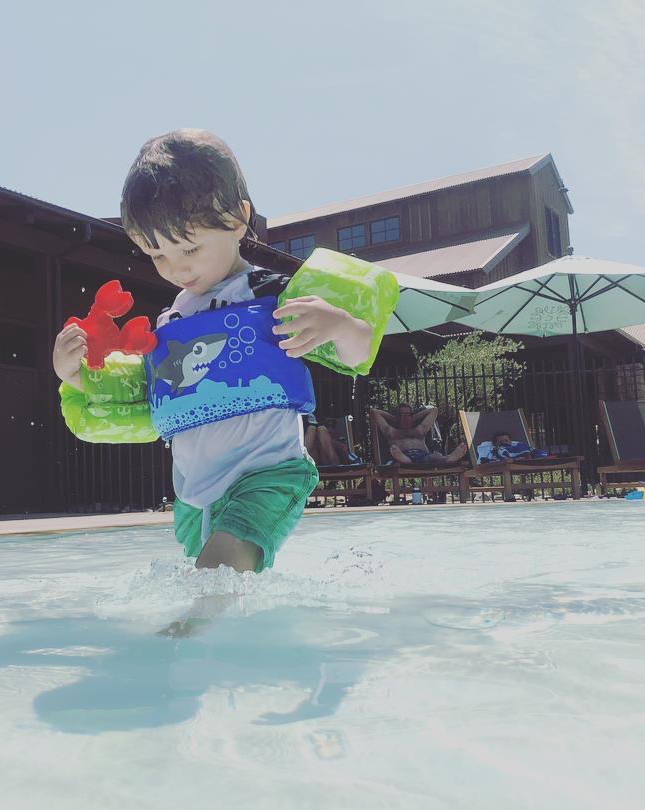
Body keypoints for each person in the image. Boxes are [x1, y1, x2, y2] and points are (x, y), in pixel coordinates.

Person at [53, 129, 397, 580]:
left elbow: (356, 354)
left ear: (237, 219)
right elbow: (141, 389)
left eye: (189, 248)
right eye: (156, 254)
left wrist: (341, 325)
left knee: (215, 578)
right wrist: (75, 373)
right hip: (194, 495)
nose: (176, 268)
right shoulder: (171, 320)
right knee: (220, 588)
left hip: (267, 475)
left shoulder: (271, 295)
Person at [370, 404, 467, 465]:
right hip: (404, 455)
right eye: (402, 415)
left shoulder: (420, 430)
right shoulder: (391, 432)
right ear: (397, 417)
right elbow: (374, 412)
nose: (405, 418)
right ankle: (405, 461)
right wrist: (393, 418)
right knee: (403, 459)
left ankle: (449, 458)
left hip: (424, 456)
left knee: (435, 456)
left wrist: (414, 417)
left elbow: (434, 410)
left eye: (408, 415)